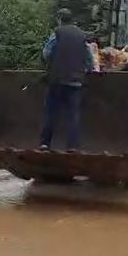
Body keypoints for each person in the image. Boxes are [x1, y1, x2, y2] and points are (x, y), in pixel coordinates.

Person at [38, 9, 98, 152]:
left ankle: (45, 143)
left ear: (59, 19)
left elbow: (46, 53)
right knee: (73, 114)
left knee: (51, 112)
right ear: (72, 20)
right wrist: (90, 70)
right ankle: (72, 146)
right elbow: (89, 58)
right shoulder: (81, 36)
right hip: (76, 81)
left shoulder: (57, 33)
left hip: (57, 79)